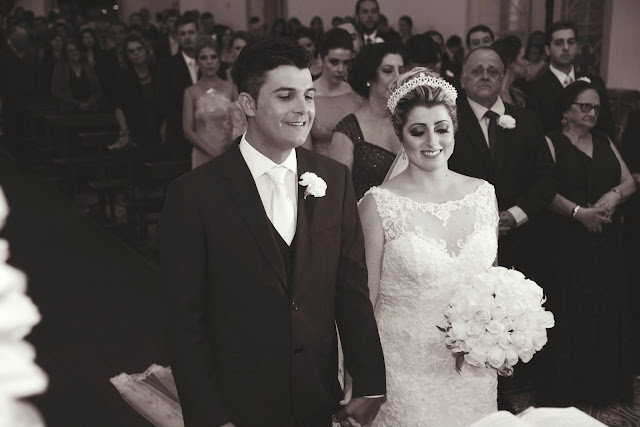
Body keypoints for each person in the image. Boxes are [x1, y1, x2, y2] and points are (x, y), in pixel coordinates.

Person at [161, 37, 386, 426]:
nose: (303, 109)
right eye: (286, 96)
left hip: (318, 399)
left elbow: (351, 288)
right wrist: (210, 418)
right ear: (248, 104)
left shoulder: (334, 179)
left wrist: (369, 382)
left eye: (309, 96)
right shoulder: (194, 195)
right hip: (238, 406)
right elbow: (184, 322)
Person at [358, 67, 499, 425]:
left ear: (454, 129)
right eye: (418, 131)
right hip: (405, 375)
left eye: (441, 129)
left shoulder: (484, 194)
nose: (432, 141)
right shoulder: (378, 204)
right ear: (401, 136)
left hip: (475, 372)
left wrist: (505, 332)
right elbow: (364, 299)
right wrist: (358, 374)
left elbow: (493, 286)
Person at [535, 80, 635, 407]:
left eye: (596, 108)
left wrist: (613, 196)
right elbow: (544, 192)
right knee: (573, 314)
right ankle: (570, 392)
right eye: (585, 106)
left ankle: (601, 389)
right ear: (566, 110)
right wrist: (580, 214)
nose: (592, 113)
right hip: (567, 243)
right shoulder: (550, 142)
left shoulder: (604, 141)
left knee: (604, 313)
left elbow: (628, 181)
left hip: (606, 243)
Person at [448, 47, 556, 277]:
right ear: (462, 80)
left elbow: (547, 178)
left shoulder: (527, 121)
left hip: (522, 242)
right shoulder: (447, 124)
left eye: (493, 71)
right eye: (477, 71)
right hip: (463, 243)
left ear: (502, 78)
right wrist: (480, 221)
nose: (485, 76)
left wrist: (516, 214)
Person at [331, 43, 404, 199]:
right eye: (388, 71)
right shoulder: (348, 131)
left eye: (401, 71)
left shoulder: (408, 122)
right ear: (370, 77)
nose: (398, 78)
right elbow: (337, 194)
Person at [526, 21, 614, 137]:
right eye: (559, 43)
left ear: (577, 47)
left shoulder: (595, 83)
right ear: (547, 50)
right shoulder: (535, 87)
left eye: (571, 42)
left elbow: (607, 129)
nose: (566, 48)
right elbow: (534, 133)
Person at [182, 37, 244, 168]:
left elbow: (241, 124)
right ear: (197, 62)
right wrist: (212, 153)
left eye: (213, 57)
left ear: (219, 61)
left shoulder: (231, 88)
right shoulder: (190, 92)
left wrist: (230, 150)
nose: (209, 62)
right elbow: (187, 130)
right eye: (204, 58)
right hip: (202, 153)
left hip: (228, 153)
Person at [306, 28, 362, 156]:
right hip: (317, 165)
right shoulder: (307, 95)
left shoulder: (356, 95)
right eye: (334, 62)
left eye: (346, 63)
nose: (341, 69)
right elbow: (305, 151)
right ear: (320, 59)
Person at [107, 34, 161, 154]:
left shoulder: (159, 72)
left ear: (146, 51)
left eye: (139, 49)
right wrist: (124, 131)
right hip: (137, 131)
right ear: (127, 56)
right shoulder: (123, 78)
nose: (136, 53)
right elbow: (119, 107)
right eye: (131, 51)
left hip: (161, 128)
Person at [156, 14, 200, 158]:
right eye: (182, 33)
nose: (187, 37)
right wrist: (189, 123)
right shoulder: (166, 66)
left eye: (191, 32)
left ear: (198, 34)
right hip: (179, 134)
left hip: (210, 132)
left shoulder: (209, 62)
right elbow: (164, 103)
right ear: (177, 37)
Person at [51, 39, 102, 112]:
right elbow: (56, 91)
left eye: (77, 50)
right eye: (71, 51)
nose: (75, 53)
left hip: (90, 109)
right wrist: (77, 104)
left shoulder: (87, 66)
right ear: (65, 54)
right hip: (68, 110)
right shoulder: (60, 67)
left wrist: (89, 103)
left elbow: (97, 89)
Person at [491, 36, 528, 108]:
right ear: (510, 62)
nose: (527, 62)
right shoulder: (493, 98)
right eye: (523, 58)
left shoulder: (517, 95)